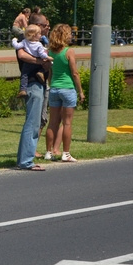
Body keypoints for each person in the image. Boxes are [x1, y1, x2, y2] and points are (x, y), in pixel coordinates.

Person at [43, 24, 85, 163]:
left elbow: (49, 72)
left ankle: (48, 152)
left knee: (53, 122)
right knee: (67, 123)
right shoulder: (69, 51)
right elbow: (74, 73)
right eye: (69, 34)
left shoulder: (50, 52)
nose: (71, 36)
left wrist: (51, 84)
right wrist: (80, 91)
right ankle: (66, 153)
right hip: (67, 89)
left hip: (54, 88)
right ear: (64, 35)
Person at [16, 12, 50, 171]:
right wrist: (41, 61)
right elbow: (22, 56)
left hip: (39, 84)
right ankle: (26, 161)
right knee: (32, 123)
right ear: (36, 26)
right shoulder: (26, 42)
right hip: (32, 84)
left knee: (34, 123)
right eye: (44, 25)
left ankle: (24, 159)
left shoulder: (40, 43)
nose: (47, 28)